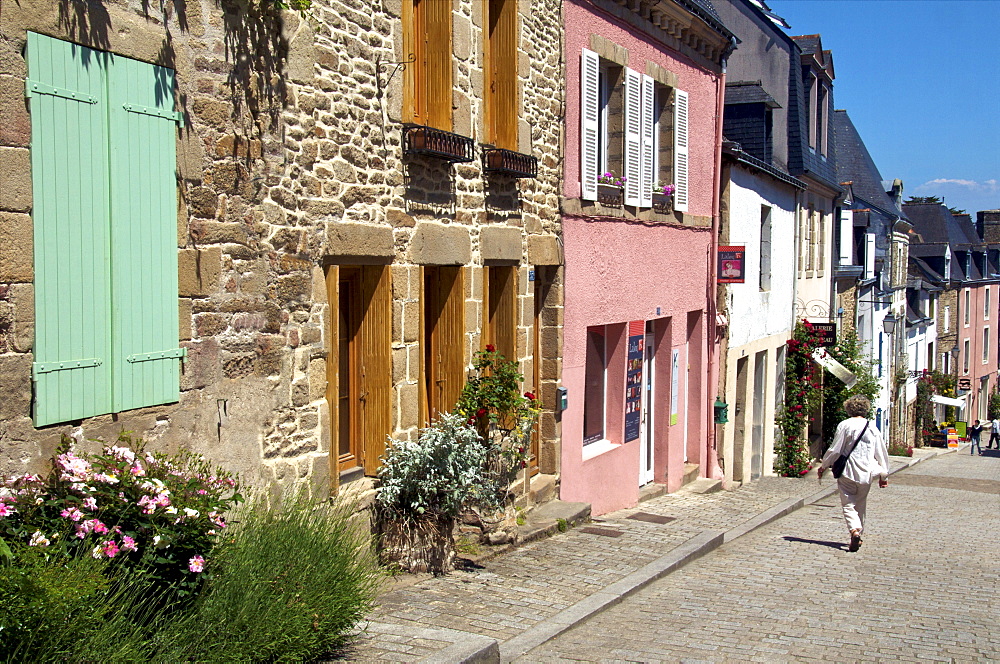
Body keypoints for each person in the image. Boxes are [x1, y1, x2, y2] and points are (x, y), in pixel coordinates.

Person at [817, 395, 890, 552]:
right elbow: (881, 452)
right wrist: (884, 475)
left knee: (848, 504)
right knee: (860, 504)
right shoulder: (872, 428)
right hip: (866, 473)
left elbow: (835, 449)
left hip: (847, 471)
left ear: (848, 409)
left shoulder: (845, 425)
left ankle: (854, 531)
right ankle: (859, 533)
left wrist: (824, 465)